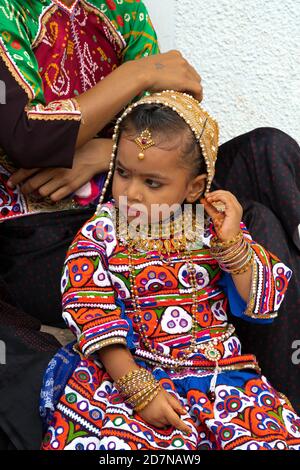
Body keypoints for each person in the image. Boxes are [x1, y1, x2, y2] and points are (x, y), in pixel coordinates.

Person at [40, 91, 300, 451]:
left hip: (222, 379)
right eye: (123, 173)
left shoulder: (210, 230)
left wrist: (233, 246)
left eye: (152, 183)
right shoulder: (100, 234)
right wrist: (139, 390)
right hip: (130, 378)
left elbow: (262, 300)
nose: (131, 193)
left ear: (193, 187)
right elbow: (90, 309)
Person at [0, 0, 203, 449]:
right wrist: (139, 73)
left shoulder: (122, 5)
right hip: (43, 238)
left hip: (138, 218)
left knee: (267, 157)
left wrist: (104, 152)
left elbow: (177, 114)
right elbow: (28, 136)